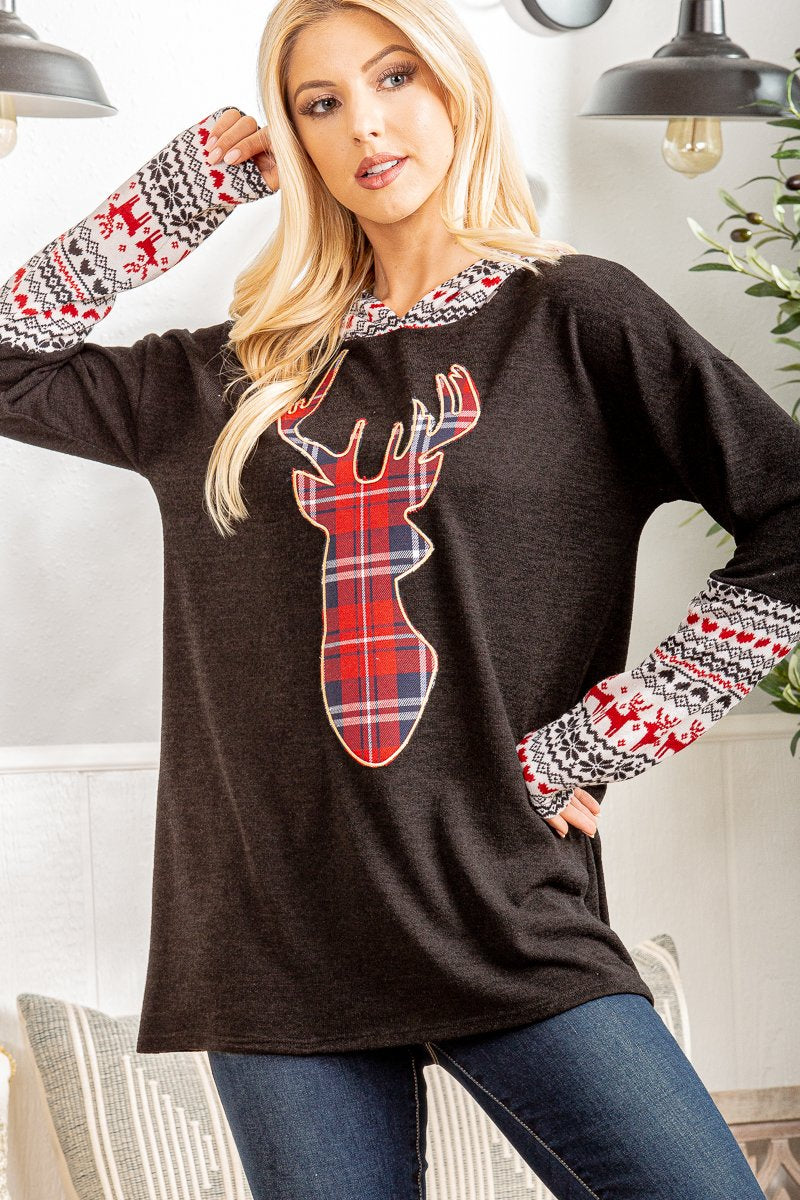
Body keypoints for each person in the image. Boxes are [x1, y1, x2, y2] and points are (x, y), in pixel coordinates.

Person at [1, 0, 796, 1195]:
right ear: (294, 141)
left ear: (456, 89)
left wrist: (612, 734)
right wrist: (185, 192)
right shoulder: (236, 376)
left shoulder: (578, 317)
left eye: (394, 78)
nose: (365, 126)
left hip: (499, 907)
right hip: (272, 943)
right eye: (319, 104)